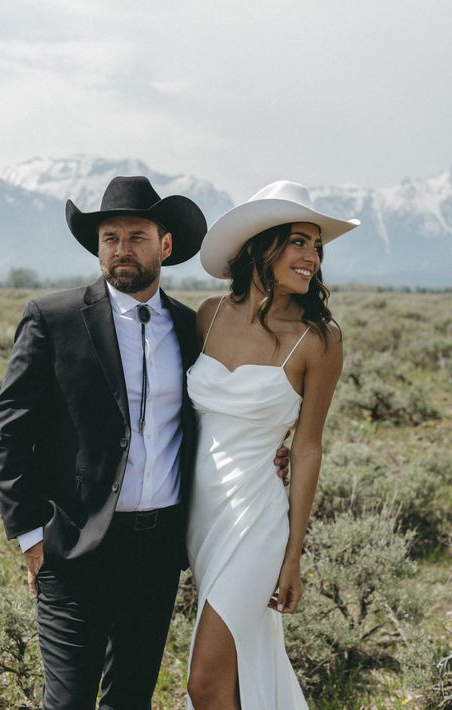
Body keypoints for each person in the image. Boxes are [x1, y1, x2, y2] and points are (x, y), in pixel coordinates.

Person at [0, 175, 289, 710]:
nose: (122, 250)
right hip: (73, 547)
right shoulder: (52, 319)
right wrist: (30, 536)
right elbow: (10, 427)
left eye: (136, 236)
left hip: (156, 551)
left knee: (130, 698)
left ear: (165, 245)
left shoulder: (192, 326)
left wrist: (270, 447)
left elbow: (219, 412)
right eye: (110, 238)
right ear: (97, 248)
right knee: (67, 700)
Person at [186, 180, 360, 709]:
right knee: (239, 666)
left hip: (256, 519)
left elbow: (307, 449)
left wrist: (293, 557)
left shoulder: (319, 339)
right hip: (200, 515)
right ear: (262, 246)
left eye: (317, 247)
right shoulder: (208, 314)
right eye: (299, 242)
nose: (312, 257)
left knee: (205, 682)